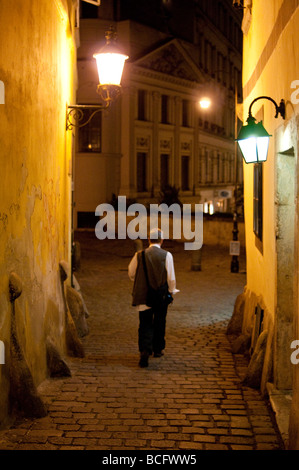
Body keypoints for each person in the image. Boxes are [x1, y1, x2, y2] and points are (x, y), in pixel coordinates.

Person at [128, 228, 179, 368]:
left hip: (143, 295)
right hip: (160, 295)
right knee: (160, 321)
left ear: (149, 240)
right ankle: (157, 349)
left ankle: (145, 349)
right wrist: (171, 291)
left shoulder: (139, 255)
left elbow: (131, 273)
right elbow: (171, 277)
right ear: (161, 240)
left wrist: (140, 282)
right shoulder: (167, 255)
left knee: (144, 322)